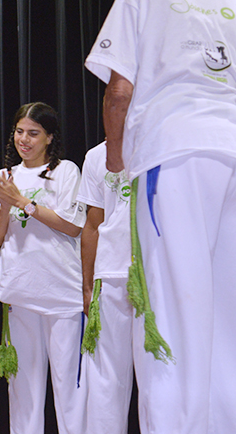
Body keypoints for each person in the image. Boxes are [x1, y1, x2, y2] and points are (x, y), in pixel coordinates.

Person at [84, 0, 236, 432]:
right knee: (233, 305)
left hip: (172, 158)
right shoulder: (229, 4)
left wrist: (116, 157)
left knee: (172, 303)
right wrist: (221, 112)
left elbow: (118, 91)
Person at [0, 102, 87, 434]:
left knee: (70, 389)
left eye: (34, 133)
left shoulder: (65, 171)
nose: (24, 140)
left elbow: (72, 226)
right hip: (20, 292)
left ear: (49, 138)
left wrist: (24, 202)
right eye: (19, 132)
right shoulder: (1, 179)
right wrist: (4, 205)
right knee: (23, 391)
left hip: (63, 294)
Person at [76, 141, 136, 433]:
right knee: (104, 377)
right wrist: (88, 284)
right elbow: (92, 223)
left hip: (157, 275)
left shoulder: (167, 135)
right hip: (110, 274)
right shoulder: (96, 155)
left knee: (162, 372)